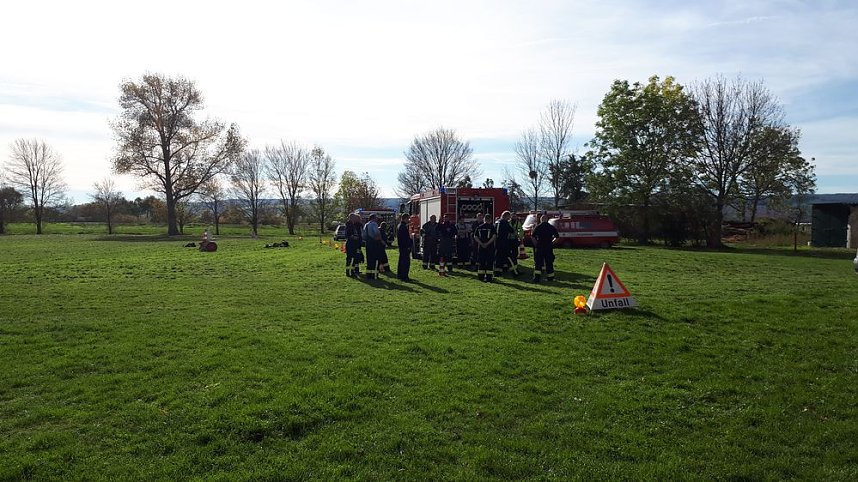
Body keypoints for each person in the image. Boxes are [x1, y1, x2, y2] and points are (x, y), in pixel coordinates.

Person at [532, 214, 560, 282]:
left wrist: (536, 244)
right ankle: (550, 277)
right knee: (549, 262)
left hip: (540, 247)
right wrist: (552, 243)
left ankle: (537, 278)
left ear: (541, 220)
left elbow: (533, 236)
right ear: (547, 220)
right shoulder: (551, 227)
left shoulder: (538, 227)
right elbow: (557, 237)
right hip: (548, 247)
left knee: (538, 263)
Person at [473, 213, 497, 282]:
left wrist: (481, 243)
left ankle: (481, 277)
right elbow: (494, 236)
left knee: (481, 262)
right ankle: (489, 277)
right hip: (490, 247)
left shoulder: (479, 227)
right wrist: (487, 243)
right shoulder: (492, 227)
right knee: (489, 262)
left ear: (484, 219)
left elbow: (475, 236)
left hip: (481, 247)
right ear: (490, 220)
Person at [495, 211, 518, 277]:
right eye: (509, 216)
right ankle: (514, 272)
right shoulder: (505, 222)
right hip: (504, 242)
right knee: (509, 257)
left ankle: (497, 272)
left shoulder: (496, 222)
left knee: (498, 257)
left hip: (497, 243)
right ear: (507, 216)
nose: (510, 218)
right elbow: (512, 231)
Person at [362, 213, 383, 279]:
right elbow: (377, 234)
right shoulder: (374, 224)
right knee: (375, 259)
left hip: (368, 244)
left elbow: (364, 236)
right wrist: (381, 241)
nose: (377, 219)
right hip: (374, 243)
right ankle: (374, 275)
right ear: (373, 218)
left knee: (369, 259)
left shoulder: (366, 225)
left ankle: (369, 274)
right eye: (376, 218)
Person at [396, 213, 412, 281]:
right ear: (405, 218)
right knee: (405, 262)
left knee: (401, 261)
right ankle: (404, 276)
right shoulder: (403, 226)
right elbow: (405, 238)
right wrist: (408, 245)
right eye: (408, 218)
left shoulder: (399, 225)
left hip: (401, 247)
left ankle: (400, 275)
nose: (408, 220)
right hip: (404, 247)